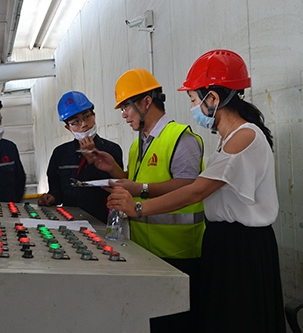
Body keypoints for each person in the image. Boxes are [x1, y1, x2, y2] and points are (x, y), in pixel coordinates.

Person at [107, 50, 286, 333]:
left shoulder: (246, 136)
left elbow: (195, 191)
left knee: (240, 320)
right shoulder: (228, 139)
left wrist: (138, 207)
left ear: (212, 99)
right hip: (223, 242)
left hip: (242, 247)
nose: (192, 106)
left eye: (193, 99)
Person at [92, 68, 205, 332]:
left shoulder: (180, 138)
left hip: (179, 253)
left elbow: (189, 185)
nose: (123, 114)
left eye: (126, 107)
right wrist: (114, 172)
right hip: (146, 252)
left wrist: (138, 188)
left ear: (145, 102)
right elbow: (139, 184)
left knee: (176, 324)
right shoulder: (138, 144)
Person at [37, 91, 123, 223]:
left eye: (87, 116)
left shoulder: (111, 149)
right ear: (68, 127)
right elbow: (57, 190)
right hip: (70, 221)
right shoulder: (60, 154)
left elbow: (117, 186)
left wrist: (92, 161)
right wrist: (52, 197)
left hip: (103, 221)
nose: (83, 124)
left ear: (94, 115)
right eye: (75, 122)